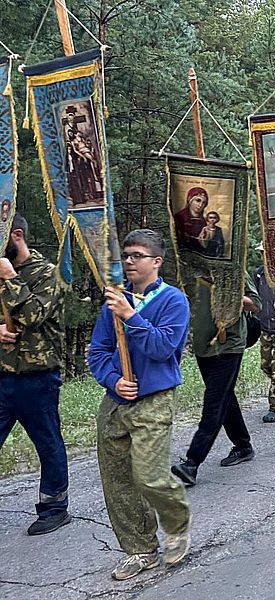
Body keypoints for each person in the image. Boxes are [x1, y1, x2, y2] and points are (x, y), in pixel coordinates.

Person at [87, 229, 191, 580]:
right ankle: (140, 549)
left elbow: (163, 348)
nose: (129, 261)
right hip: (117, 401)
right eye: (126, 256)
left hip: (154, 399)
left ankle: (176, 525)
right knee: (117, 482)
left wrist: (131, 316)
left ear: (156, 262)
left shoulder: (173, 301)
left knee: (149, 478)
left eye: (137, 256)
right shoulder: (114, 301)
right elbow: (98, 351)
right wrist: (112, 379)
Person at [0, 213, 70, 536]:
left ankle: (54, 506)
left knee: (47, 442)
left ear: (16, 236)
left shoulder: (48, 274)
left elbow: (32, 316)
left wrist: (11, 277)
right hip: (2, 375)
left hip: (37, 376)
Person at [171, 272, 261, 487]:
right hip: (204, 346)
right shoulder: (191, 266)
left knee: (214, 403)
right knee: (225, 397)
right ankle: (243, 446)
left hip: (228, 345)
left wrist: (228, 297)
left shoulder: (232, 267)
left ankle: (192, 462)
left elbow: (255, 303)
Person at [254, 242, 275, 424]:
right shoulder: (259, 273)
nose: (265, 256)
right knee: (266, 366)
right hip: (265, 326)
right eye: (263, 253)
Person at [173, 187, 209, 253]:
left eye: (203, 203)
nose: (200, 205)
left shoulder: (203, 221)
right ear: (190, 200)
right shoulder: (179, 217)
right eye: (198, 200)